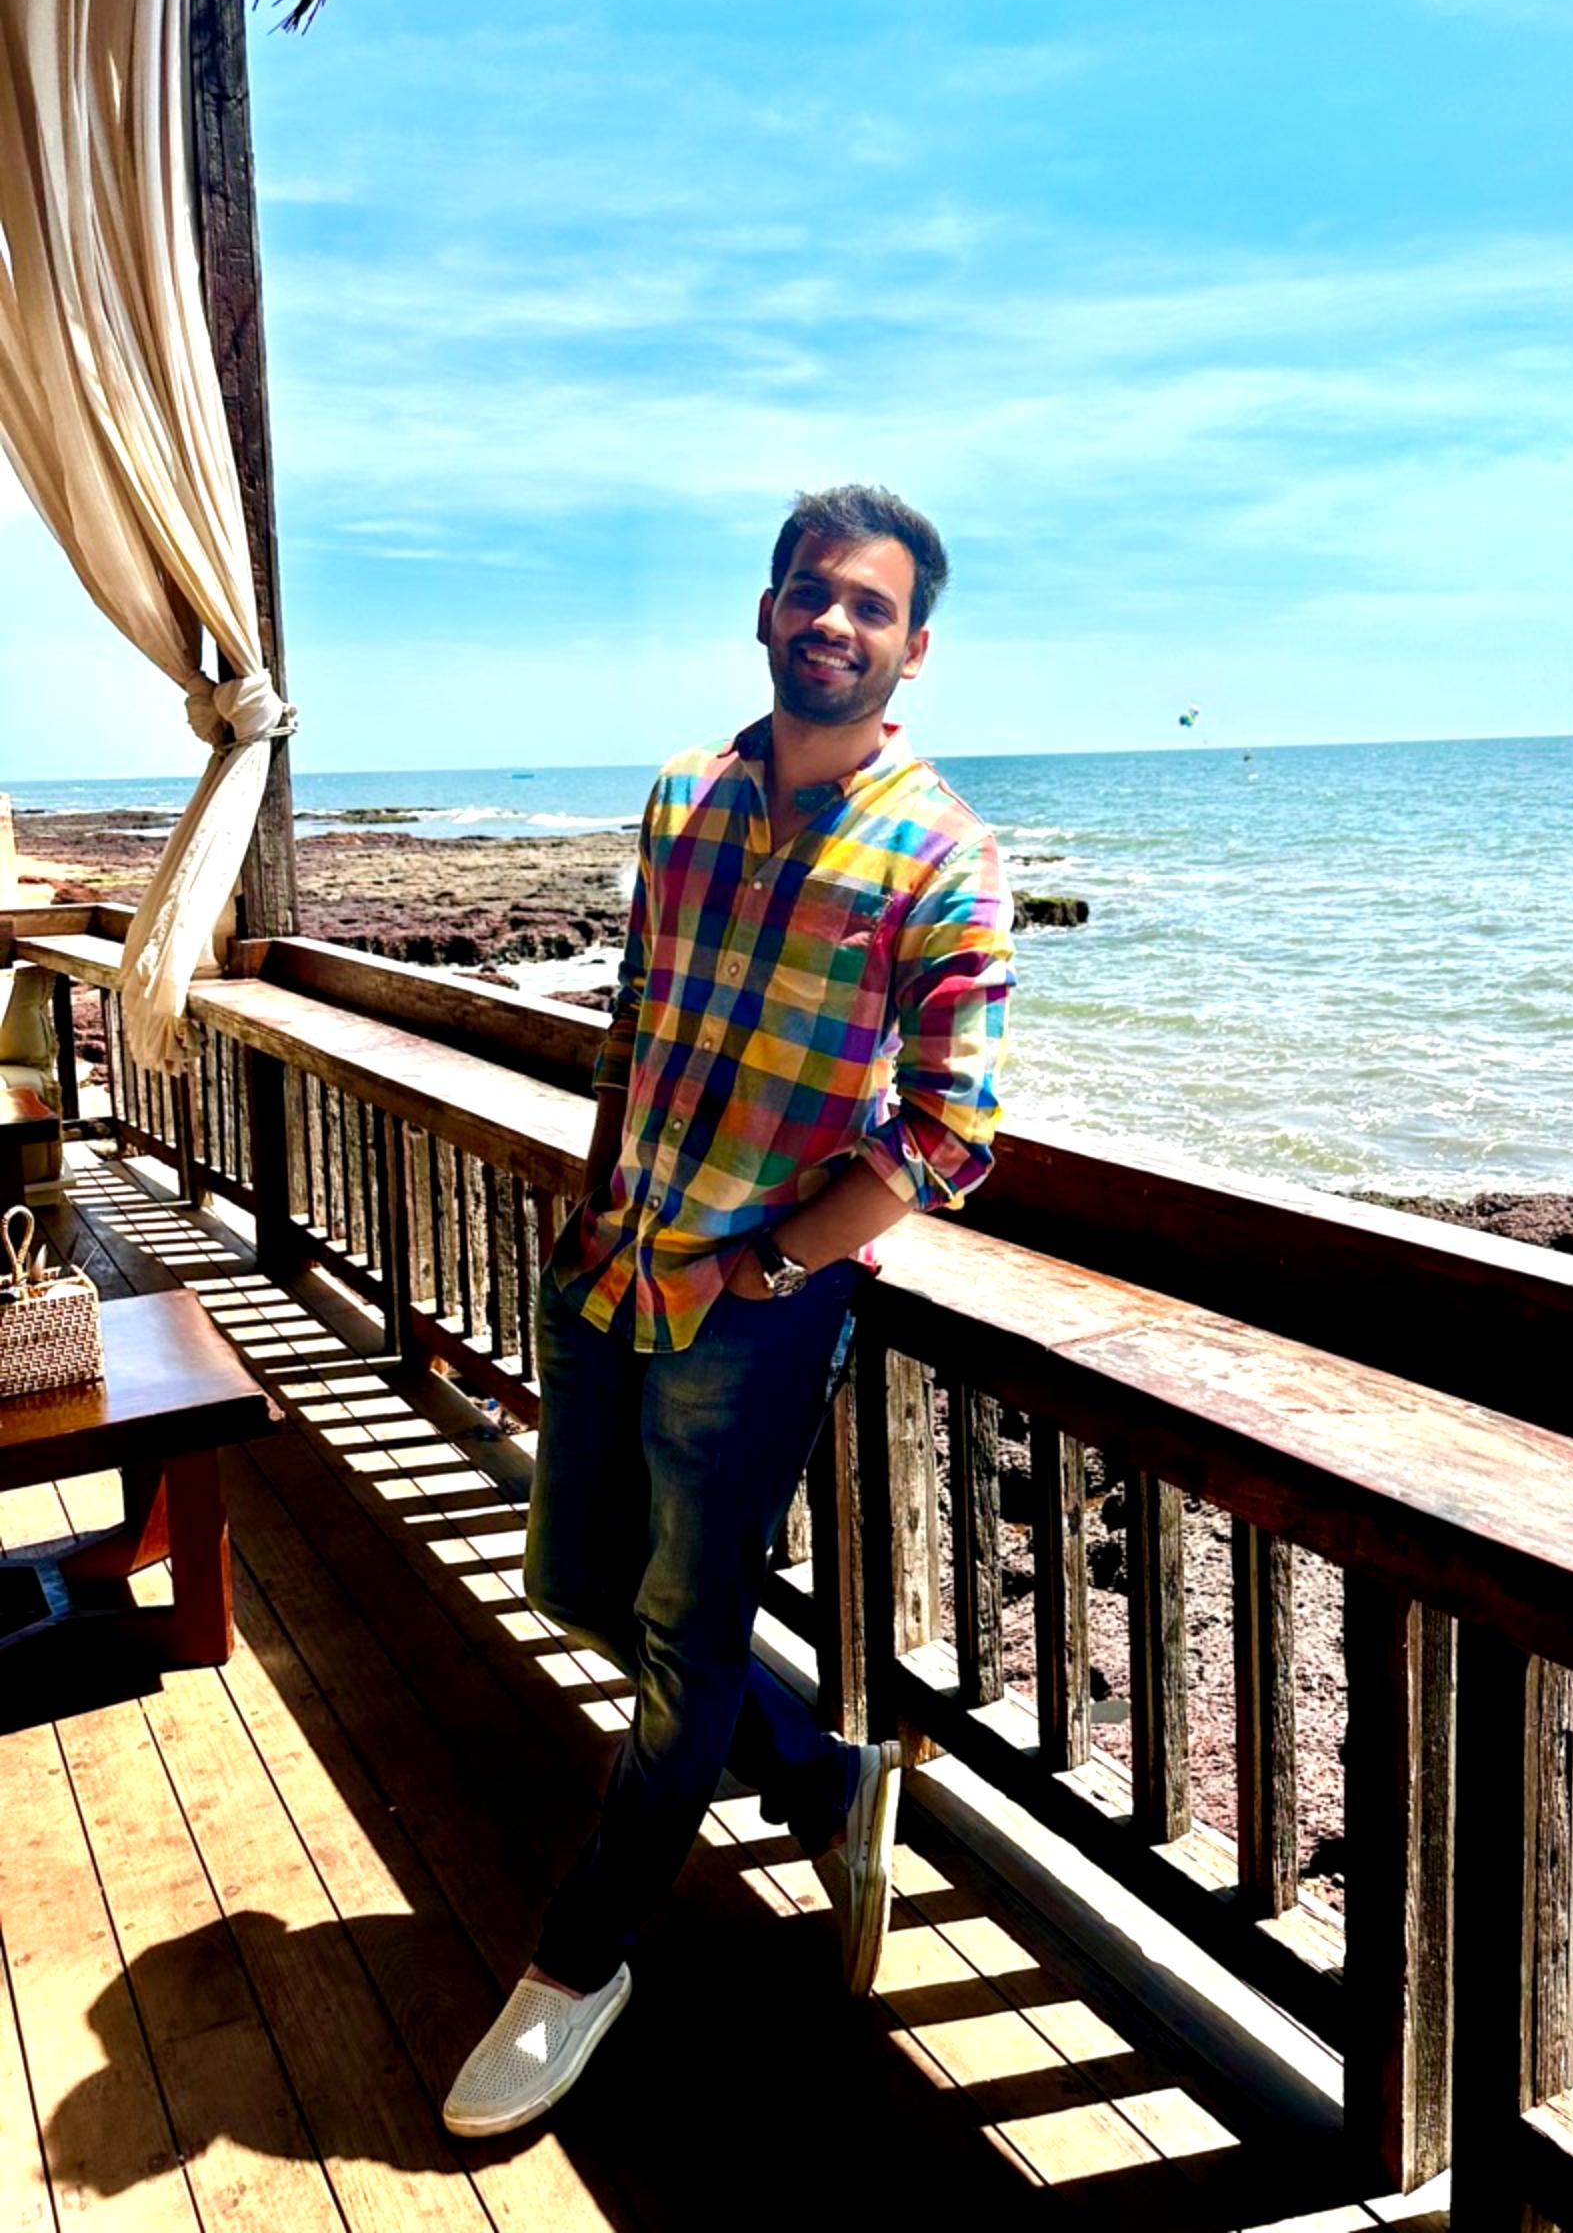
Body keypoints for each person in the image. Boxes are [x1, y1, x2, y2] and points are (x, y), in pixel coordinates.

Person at [443, 485, 1016, 2137]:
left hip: (752, 1312)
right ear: (767, 613)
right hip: (610, 1264)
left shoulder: (945, 851)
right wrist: (593, 1202)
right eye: (809, 592)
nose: (833, 622)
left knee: (686, 1650)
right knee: (574, 1578)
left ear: (915, 648)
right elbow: (635, 1019)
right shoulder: (685, 795)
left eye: (869, 605)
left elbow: (950, 1133)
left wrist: (759, 1268)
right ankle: (830, 1778)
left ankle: (580, 1962)